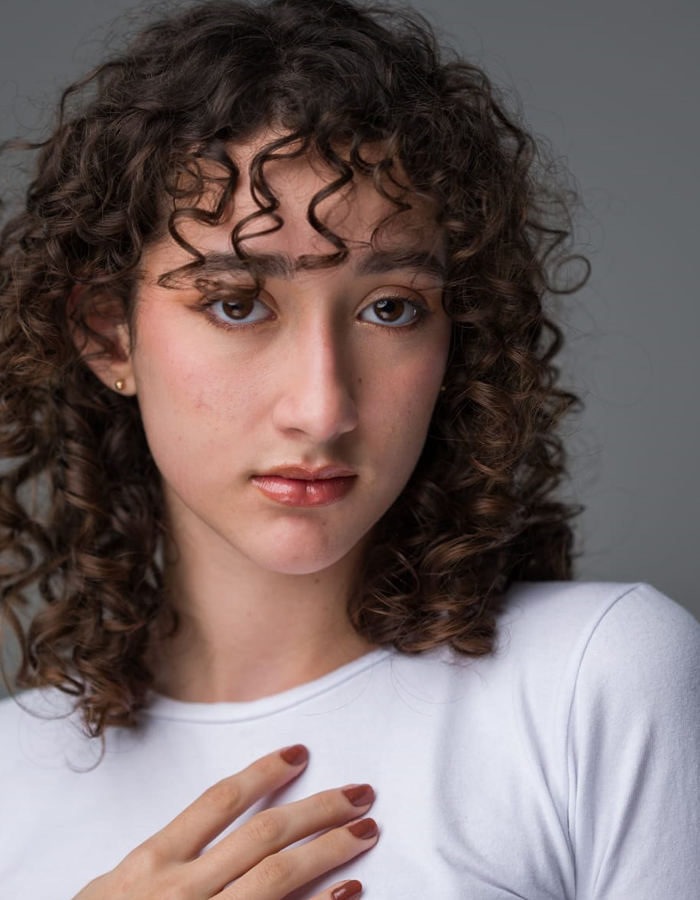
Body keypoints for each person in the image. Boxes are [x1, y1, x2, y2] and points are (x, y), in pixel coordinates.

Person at [0, 0, 698, 897]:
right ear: (110, 334)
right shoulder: (11, 782)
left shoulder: (597, 681)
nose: (323, 408)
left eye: (390, 308)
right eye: (237, 303)